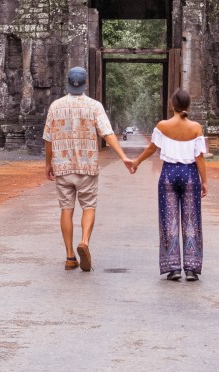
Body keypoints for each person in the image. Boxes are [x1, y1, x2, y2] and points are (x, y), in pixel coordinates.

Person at [42, 66, 133, 271]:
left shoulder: (56, 106)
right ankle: (84, 242)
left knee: (66, 209)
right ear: (86, 84)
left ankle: (69, 256)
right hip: (87, 166)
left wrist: (48, 163)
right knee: (88, 207)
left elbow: (48, 138)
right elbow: (107, 134)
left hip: (63, 167)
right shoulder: (94, 106)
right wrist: (123, 156)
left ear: (67, 82)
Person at [129, 88, 208, 281]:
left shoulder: (163, 126)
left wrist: (137, 162)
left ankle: (173, 268)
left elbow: (152, 149)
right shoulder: (196, 128)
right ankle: (191, 269)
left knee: (169, 219)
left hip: (168, 174)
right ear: (188, 105)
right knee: (191, 220)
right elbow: (199, 157)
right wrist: (204, 181)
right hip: (190, 174)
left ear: (172, 105)